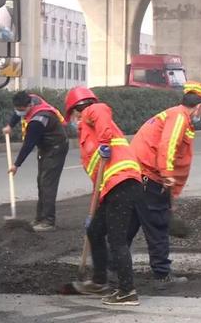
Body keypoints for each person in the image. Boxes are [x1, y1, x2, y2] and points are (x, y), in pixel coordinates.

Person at [127, 81, 201, 288]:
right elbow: (168, 145)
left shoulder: (172, 114)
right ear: (199, 106)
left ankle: (111, 268)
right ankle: (162, 275)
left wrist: (171, 194)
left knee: (129, 226)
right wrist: (166, 176)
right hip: (150, 179)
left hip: (137, 176)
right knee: (157, 227)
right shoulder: (179, 118)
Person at [65, 86, 142, 306]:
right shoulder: (85, 133)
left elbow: (101, 110)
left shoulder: (91, 112)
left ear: (76, 110)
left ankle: (127, 291)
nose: (71, 120)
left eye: (71, 114)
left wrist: (105, 143)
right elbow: (98, 177)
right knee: (94, 230)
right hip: (111, 188)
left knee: (117, 240)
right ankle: (100, 282)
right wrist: (96, 206)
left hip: (124, 184)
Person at [3, 91, 69, 232]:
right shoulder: (32, 99)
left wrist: (16, 165)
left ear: (29, 106)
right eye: (17, 109)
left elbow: (28, 145)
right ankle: (40, 218)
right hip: (46, 146)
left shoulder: (38, 121)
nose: (19, 112)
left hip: (56, 147)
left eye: (21, 110)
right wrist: (10, 125)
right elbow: (17, 114)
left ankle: (48, 221)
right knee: (41, 181)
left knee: (47, 183)